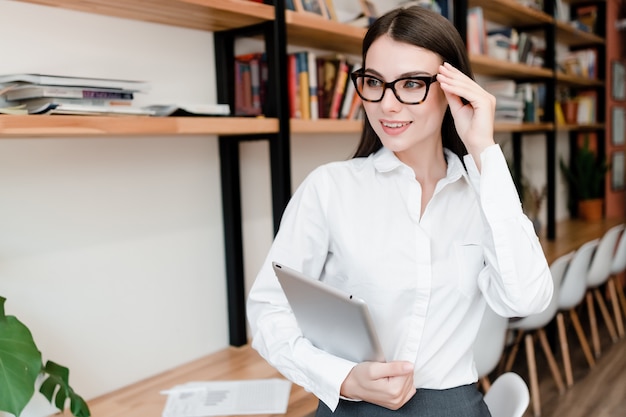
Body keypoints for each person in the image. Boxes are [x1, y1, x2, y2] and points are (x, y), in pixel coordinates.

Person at [246, 5, 553, 417]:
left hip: (451, 405)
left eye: (410, 84)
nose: (387, 105)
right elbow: (268, 308)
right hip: (352, 404)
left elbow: (526, 298)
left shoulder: (482, 195)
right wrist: (341, 378)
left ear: (452, 88)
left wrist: (483, 149)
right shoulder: (330, 187)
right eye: (374, 82)